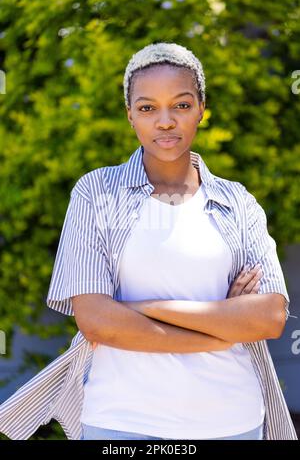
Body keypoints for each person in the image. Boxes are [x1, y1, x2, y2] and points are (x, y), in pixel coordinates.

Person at [0, 42, 297, 441]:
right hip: (123, 425)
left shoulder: (238, 203)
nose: (165, 121)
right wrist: (225, 322)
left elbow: (269, 318)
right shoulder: (96, 194)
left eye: (181, 105)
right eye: (147, 108)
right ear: (129, 115)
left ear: (201, 109)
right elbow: (97, 323)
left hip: (233, 423)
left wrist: (141, 308)